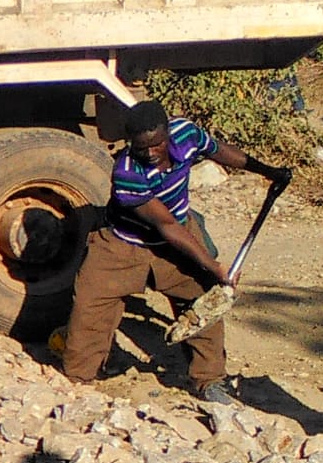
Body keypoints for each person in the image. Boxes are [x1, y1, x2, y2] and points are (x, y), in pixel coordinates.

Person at [61, 100, 290, 405]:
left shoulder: (186, 134)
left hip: (181, 232)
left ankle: (209, 380)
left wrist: (266, 171)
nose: (151, 153)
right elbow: (165, 225)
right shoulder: (127, 173)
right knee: (90, 308)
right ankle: (78, 383)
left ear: (167, 133)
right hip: (125, 244)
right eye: (142, 148)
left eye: (156, 144)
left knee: (202, 304)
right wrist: (214, 266)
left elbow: (219, 151)